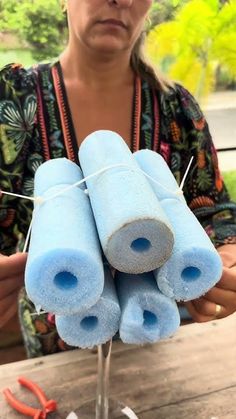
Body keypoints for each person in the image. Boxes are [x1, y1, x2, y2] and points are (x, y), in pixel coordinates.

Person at [0, 0, 236, 358]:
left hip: (154, 340)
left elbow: (213, 209)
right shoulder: (14, 99)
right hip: (55, 352)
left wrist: (227, 256)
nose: (121, 0)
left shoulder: (177, 108)